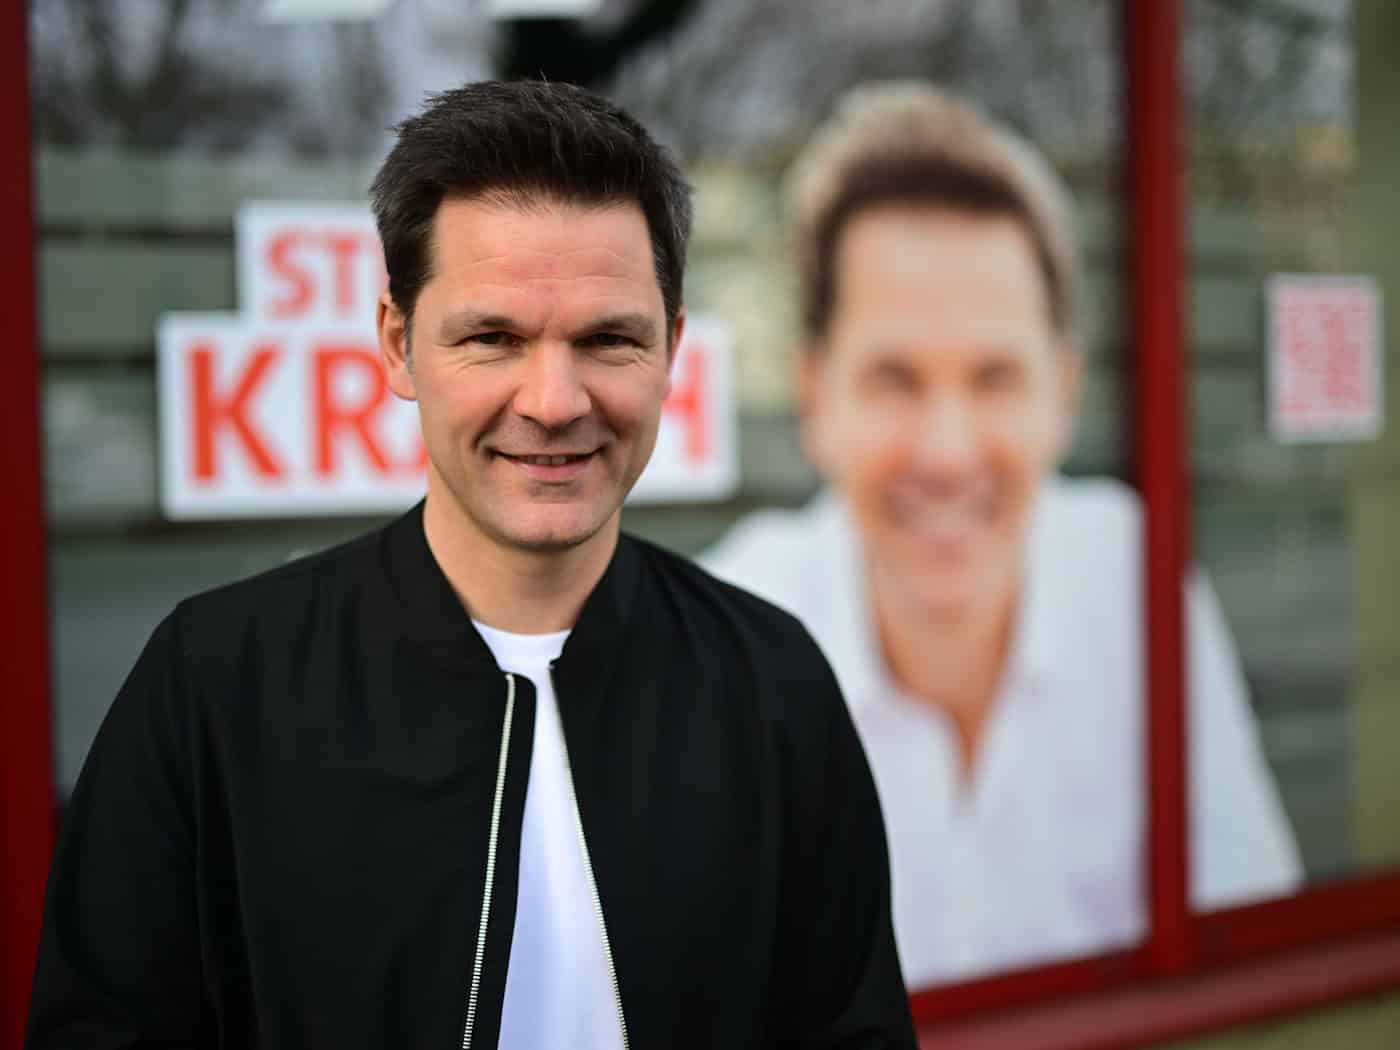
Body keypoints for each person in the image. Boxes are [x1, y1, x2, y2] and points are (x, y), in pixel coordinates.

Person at [27, 81, 916, 1049]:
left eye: (608, 339)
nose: (553, 401)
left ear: (671, 349)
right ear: (398, 343)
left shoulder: (770, 681)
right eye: (493, 338)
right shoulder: (214, 684)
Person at [701, 82, 1303, 988]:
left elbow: (1250, 950)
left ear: (1064, 392)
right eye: (895, 379)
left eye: (995, 378)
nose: (947, 453)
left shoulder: (1133, 582)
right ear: (815, 395)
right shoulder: (720, 652)